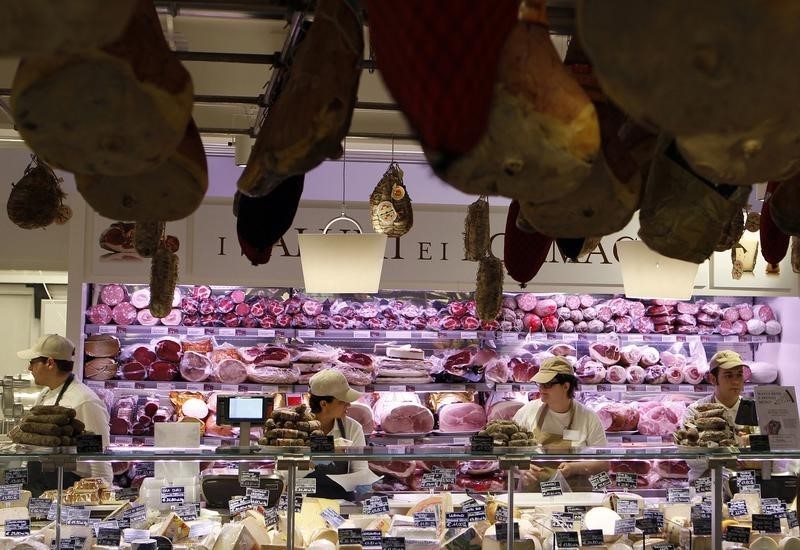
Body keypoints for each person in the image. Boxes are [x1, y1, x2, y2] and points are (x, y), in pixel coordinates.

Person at [17, 334, 113, 494]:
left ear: (50, 363)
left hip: (68, 487)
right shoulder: (45, 394)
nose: (29, 368)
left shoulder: (84, 401)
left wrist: (99, 499)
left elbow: (97, 458)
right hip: (38, 484)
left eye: (33, 362)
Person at [513, 356, 608, 490]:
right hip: (534, 496)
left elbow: (604, 463)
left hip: (574, 499)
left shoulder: (588, 417)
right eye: (540, 384)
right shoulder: (528, 411)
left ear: (566, 386)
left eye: (547, 384)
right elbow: (505, 454)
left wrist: (574, 468)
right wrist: (521, 467)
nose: (541, 389)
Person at [304, 370, 367, 499]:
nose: (348, 404)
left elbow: (361, 471)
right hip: (304, 500)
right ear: (324, 404)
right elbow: (285, 473)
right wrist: (329, 447)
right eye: (342, 401)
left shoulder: (353, 428)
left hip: (341, 503)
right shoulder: (297, 428)